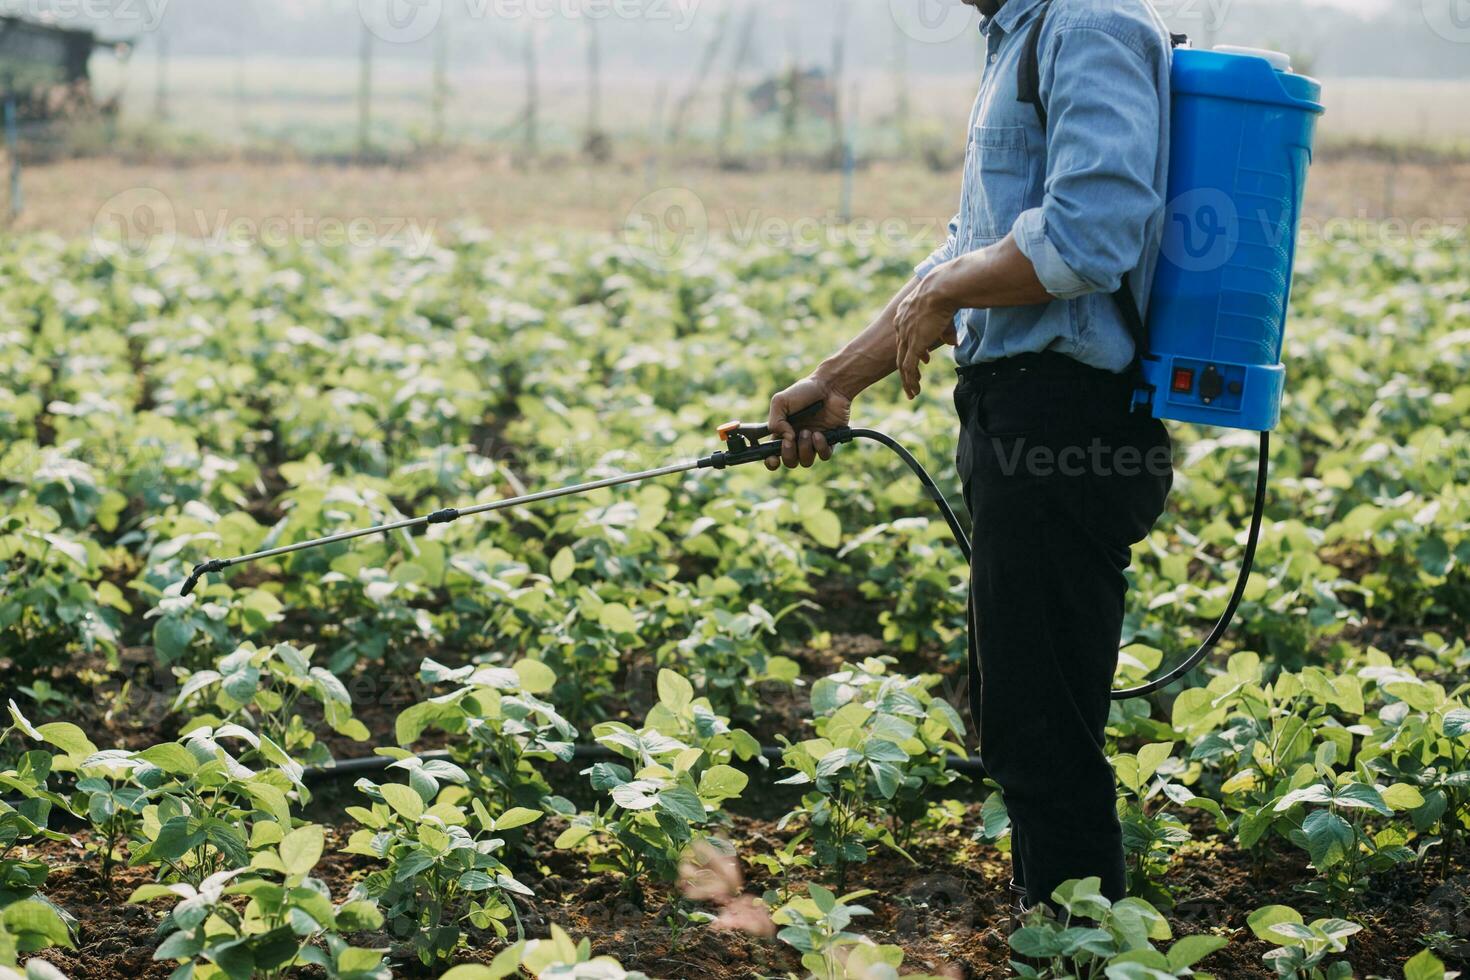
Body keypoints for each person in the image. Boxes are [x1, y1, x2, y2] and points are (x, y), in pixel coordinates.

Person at [764, 0, 1176, 913]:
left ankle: (1078, 947)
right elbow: (971, 252)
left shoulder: (1090, 24)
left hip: (1068, 425)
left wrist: (951, 284)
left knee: (1043, 727)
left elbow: (1088, 235)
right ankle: (1059, 931)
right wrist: (841, 379)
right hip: (1015, 415)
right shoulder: (1019, 37)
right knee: (1029, 713)